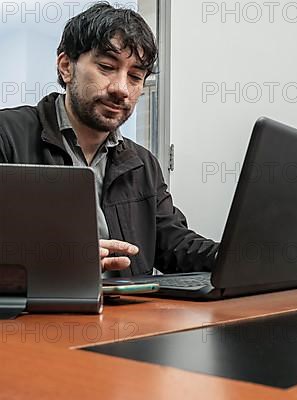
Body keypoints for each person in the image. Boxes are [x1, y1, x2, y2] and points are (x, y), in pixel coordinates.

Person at [0, 3, 218, 275]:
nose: (121, 89)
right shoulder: (6, 135)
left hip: (131, 313)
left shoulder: (143, 164)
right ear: (66, 67)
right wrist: (59, 257)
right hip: (37, 314)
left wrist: (238, 253)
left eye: (135, 76)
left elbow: (175, 245)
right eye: (106, 67)